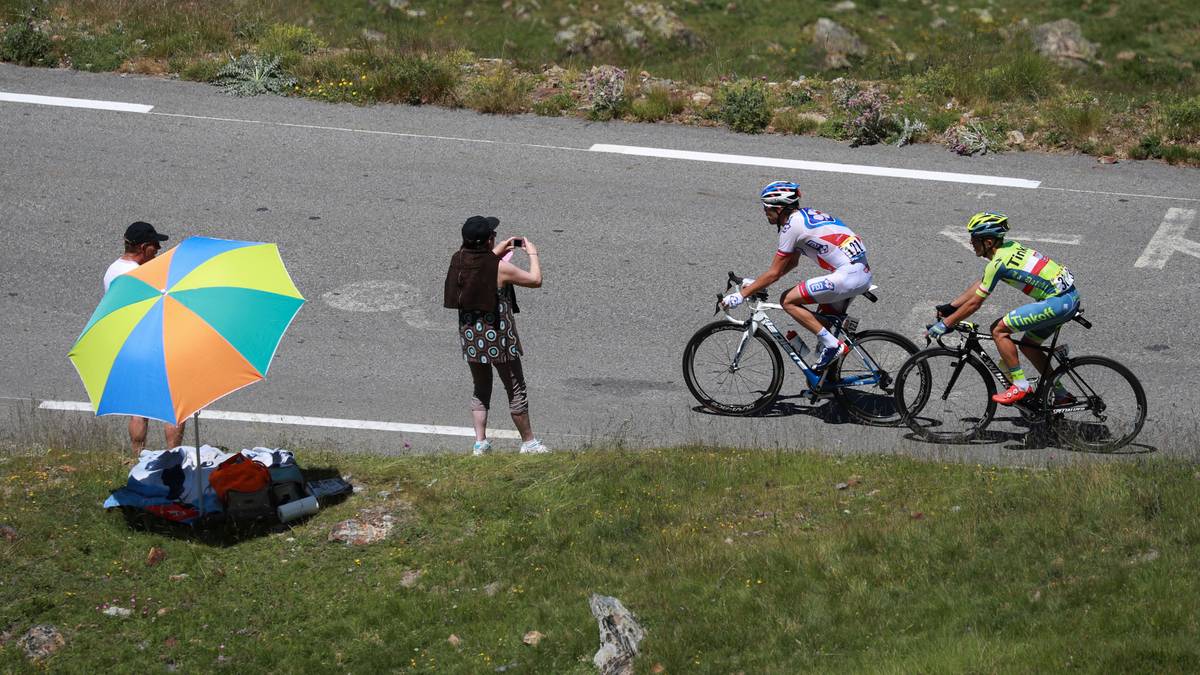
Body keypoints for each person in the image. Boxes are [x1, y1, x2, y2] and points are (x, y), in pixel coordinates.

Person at [928, 212, 1080, 405]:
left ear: (988, 242)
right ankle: (1061, 395)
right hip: (1069, 298)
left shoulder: (998, 264)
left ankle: (1020, 385)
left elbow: (975, 303)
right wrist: (951, 307)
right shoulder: (1009, 247)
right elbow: (983, 283)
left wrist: (946, 324)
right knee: (1028, 346)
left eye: (974, 239)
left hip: (1057, 303)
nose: (970, 242)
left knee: (998, 330)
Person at [722, 180, 873, 371]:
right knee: (821, 323)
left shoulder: (791, 226)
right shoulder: (803, 216)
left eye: (766, 207)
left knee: (787, 300)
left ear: (779, 209)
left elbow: (775, 272)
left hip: (848, 276)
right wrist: (757, 285)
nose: (764, 211)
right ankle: (829, 377)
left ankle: (834, 346)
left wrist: (741, 295)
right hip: (859, 273)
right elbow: (791, 263)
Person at [443, 215, 548, 455]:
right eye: (493, 235)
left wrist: (497, 249)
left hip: (472, 338)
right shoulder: (500, 268)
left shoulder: (458, 259)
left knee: (481, 388)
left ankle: (480, 443)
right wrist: (533, 254)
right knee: (515, 388)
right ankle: (529, 443)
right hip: (499, 339)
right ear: (488, 240)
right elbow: (535, 280)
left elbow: (481, 263)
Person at [104, 221, 186, 453]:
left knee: (138, 409)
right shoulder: (143, 275)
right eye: (154, 245)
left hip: (129, 346)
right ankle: (172, 456)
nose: (158, 249)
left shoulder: (113, 270)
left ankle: (136, 457)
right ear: (142, 247)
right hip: (153, 344)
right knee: (175, 406)